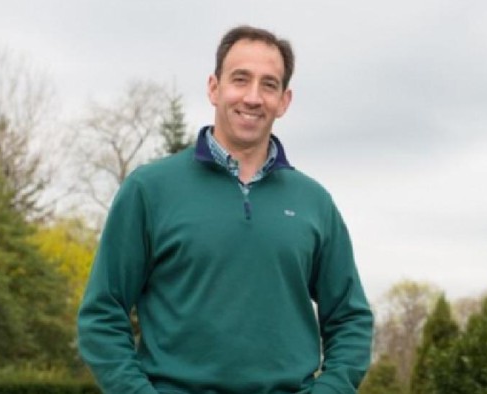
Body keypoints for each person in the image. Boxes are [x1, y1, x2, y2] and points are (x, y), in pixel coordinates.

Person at [77, 26, 374, 394]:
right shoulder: (149, 190)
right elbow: (101, 314)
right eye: (240, 79)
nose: (253, 97)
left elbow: (350, 318)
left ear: (284, 100)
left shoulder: (314, 202)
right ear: (214, 88)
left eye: (269, 85)